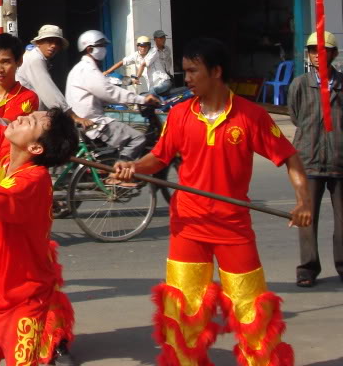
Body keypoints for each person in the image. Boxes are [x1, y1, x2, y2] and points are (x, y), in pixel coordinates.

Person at [113, 37, 312, 366]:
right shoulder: (178, 115)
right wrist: (132, 167)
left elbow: (290, 158)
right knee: (184, 313)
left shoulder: (249, 116)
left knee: (252, 313)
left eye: (193, 71)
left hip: (233, 228)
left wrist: (303, 201)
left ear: (216, 72)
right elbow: (157, 158)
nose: (187, 78)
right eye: (185, 71)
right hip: (187, 227)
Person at [0, 50, 78, 366]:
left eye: (34, 121)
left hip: (24, 300)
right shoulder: (8, 148)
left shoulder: (31, 180)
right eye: (31, 114)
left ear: (36, 147)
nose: (25, 115)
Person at [288, 31, 343, 287]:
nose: (317, 56)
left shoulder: (342, 84)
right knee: (307, 219)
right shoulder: (300, 84)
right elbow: (296, 116)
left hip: (339, 160)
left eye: (322, 51)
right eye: (313, 51)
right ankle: (307, 268)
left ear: (333, 54)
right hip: (308, 159)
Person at [65, 30, 159, 162]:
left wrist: (130, 103)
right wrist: (141, 99)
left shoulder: (80, 68)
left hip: (87, 121)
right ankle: (119, 175)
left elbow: (104, 96)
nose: (104, 49)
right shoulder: (88, 70)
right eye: (101, 46)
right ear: (89, 49)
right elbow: (110, 92)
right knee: (137, 138)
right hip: (93, 123)